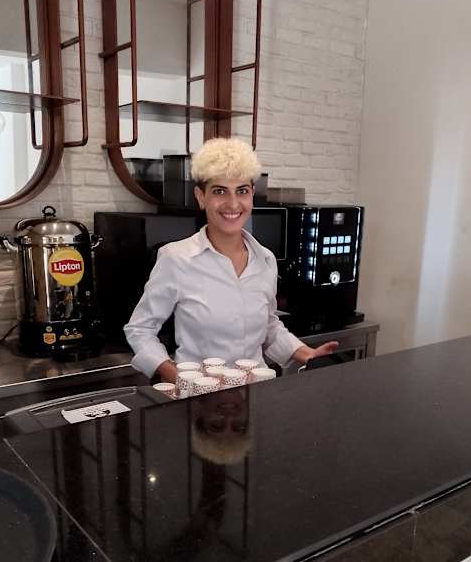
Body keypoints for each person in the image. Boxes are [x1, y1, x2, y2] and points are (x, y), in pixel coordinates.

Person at [124, 137, 338, 383]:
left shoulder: (265, 260)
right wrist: (174, 374)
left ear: (252, 195)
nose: (233, 203)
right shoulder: (176, 259)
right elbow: (140, 329)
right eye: (219, 191)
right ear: (200, 197)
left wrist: (306, 353)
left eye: (242, 191)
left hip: (255, 393)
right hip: (200, 396)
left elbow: (269, 327)